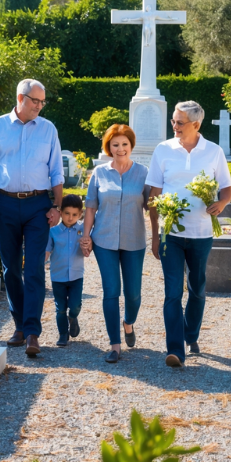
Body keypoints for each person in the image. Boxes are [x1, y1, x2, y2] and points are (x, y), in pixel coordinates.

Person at [0, 78, 64, 356]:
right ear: (20, 98)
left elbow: (56, 172)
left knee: (35, 268)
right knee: (11, 268)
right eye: (35, 100)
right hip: (4, 204)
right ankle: (19, 326)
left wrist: (57, 206)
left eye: (42, 102)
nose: (39, 106)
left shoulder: (48, 129)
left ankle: (32, 333)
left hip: (39, 205)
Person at [146, 101, 231, 368]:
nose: (174, 126)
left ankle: (190, 334)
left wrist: (221, 204)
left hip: (201, 234)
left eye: (179, 122)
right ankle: (175, 350)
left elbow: (226, 188)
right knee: (172, 292)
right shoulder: (163, 150)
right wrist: (155, 235)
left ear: (196, 124)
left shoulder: (214, 151)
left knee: (197, 289)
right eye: (173, 121)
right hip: (170, 234)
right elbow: (153, 196)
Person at [80, 125, 149, 363]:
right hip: (104, 240)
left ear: (131, 146)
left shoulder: (143, 173)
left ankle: (128, 323)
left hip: (134, 240)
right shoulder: (99, 173)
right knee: (111, 291)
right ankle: (115, 344)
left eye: (124, 144)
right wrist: (86, 236)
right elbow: (91, 207)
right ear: (108, 147)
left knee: (133, 294)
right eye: (115, 144)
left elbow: (153, 206)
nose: (120, 149)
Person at [45, 194, 85, 347]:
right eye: (67, 213)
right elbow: (47, 251)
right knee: (60, 308)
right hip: (58, 277)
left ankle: (73, 317)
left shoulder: (82, 229)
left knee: (75, 306)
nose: (70, 217)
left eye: (75, 214)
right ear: (60, 212)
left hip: (76, 276)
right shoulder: (53, 232)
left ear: (80, 214)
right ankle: (63, 334)